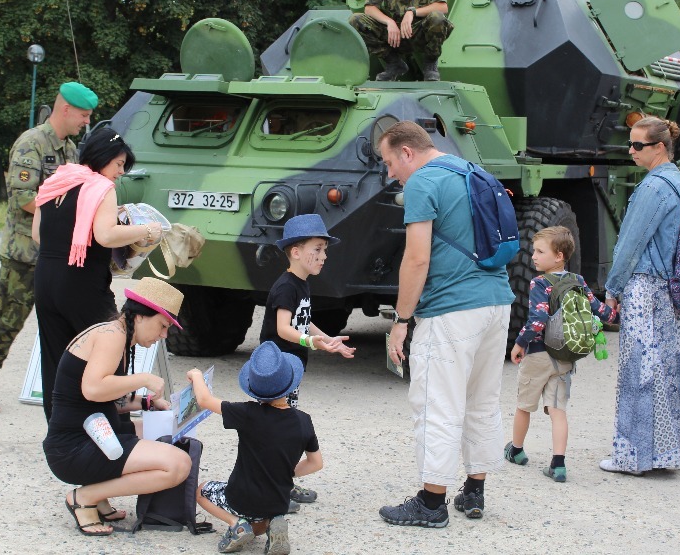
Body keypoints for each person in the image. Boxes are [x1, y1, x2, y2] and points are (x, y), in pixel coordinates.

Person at [377, 121, 514, 528]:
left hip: (452, 309)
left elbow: (417, 259)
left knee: (437, 403)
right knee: (483, 399)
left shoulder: (423, 183)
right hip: (497, 303)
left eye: (389, 162)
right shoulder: (474, 171)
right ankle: (474, 490)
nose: (389, 173)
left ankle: (431, 504)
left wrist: (401, 320)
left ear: (407, 152)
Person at [0, 81, 96, 414]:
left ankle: (65, 392)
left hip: (56, 254)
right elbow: (23, 197)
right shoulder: (32, 144)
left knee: (62, 325)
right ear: (65, 109)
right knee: (10, 319)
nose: (86, 122)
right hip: (25, 253)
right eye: (83, 115)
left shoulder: (69, 149)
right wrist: (64, 211)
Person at [31, 124, 163, 422]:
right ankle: (113, 424)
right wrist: (147, 229)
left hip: (46, 277)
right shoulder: (100, 188)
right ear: (103, 157)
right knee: (110, 348)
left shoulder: (58, 180)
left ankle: (59, 428)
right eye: (118, 164)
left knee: (56, 357)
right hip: (81, 283)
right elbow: (105, 235)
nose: (120, 172)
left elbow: (37, 233)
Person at [44, 278, 191, 537]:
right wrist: (143, 379)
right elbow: (93, 388)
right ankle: (85, 496)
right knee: (178, 464)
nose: (164, 335)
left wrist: (146, 403)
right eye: (163, 325)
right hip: (75, 446)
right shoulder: (112, 336)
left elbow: (102, 398)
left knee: (167, 429)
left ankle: (98, 493)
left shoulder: (116, 334)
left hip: (94, 433)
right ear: (143, 315)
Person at [600, 116, 680, 476]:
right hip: (670, 289)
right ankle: (665, 454)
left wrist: (612, 288)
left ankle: (632, 457)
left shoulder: (653, 187)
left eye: (637, 145)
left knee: (638, 370)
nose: (630, 151)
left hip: (644, 286)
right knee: (666, 370)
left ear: (659, 147)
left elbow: (631, 243)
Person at [189, 341, 323, 555]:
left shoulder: (247, 413)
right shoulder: (304, 421)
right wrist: (287, 471)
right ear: (290, 384)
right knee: (260, 523)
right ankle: (272, 524)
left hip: (241, 498)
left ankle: (236, 523)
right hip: (278, 501)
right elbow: (316, 463)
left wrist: (196, 375)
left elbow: (204, 400)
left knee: (201, 491)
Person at [506, 226, 617, 483]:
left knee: (524, 405)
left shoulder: (540, 283)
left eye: (540, 251)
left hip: (538, 355)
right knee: (558, 410)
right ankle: (558, 464)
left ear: (559, 256)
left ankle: (517, 450)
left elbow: (538, 319)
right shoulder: (578, 281)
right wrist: (615, 315)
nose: (533, 255)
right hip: (566, 356)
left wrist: (520, 343)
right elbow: (600, 310)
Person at [260, 213, 355, 504]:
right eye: (317, 249)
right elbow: (282, 329)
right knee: (277, 430)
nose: (323, 256)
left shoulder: (301, 283)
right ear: (296, 252)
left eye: (325, 250)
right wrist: (311, 342)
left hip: (291, 369)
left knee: (286, 427)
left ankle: (282, 482)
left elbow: (303, 320)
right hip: (276, 371)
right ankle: (272, 488)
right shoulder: (286, 286)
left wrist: (327, 339)